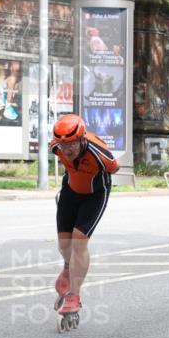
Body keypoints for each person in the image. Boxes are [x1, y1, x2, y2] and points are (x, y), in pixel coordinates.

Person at [49, 113, 119, 321]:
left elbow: (114, 168)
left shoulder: (99, 153)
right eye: (63, 145)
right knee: (64, 245)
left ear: (82, 139)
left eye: (71, 144)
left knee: (79, 243)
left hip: (94, 195)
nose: (66, 150)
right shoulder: (56, 147)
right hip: (70, 191)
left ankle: (74, 295)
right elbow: (62, 153)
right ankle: (68, 267)